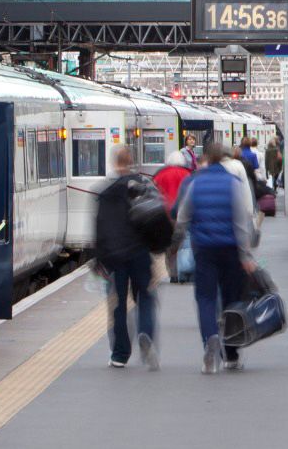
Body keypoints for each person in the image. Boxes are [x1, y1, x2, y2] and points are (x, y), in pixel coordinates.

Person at [172, 142, 257, 374]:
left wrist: (177, 242)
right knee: (231, 301)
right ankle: (231, 354)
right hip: (230, 251)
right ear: (224, 159)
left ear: (207, 158)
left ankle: (210, 339)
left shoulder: (195, 182)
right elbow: (240, 223)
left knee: (206, 298)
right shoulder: (234, 183)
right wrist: (246, 255)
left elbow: (182, 217)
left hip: (205, 250)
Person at [94, 147, 158, 370]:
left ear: (115, 164)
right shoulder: (145, 187)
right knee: (146, 298)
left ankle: (120, 354)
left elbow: (99, 229)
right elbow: (156, 219)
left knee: (118, 306)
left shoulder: (106, 192)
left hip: (115, 257)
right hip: (140, 253)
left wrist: (99, 260)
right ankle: (146, 335)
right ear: (132, 162)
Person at [154, 150, 192, 281]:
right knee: (184, 243)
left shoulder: (160, 175)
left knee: (169, 247)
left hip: (165, 216)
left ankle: (173, 274)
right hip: (183, 215)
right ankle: (184, 270)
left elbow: (154, 194)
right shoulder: (187, 174)